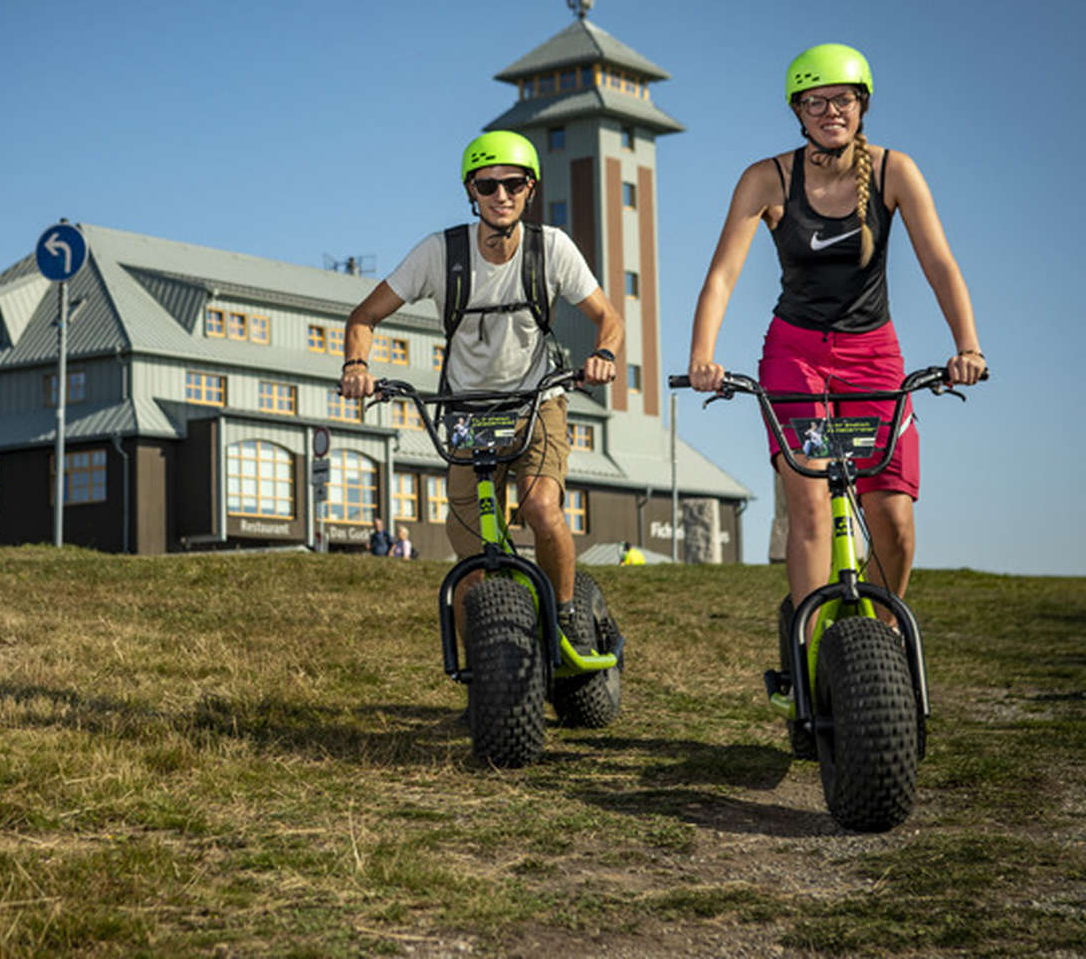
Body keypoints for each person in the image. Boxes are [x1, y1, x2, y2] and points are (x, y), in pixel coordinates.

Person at [685, 43, 987, 627]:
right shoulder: (766, 179)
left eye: (842, 99)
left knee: (893, 519)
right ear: (797, 111)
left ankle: (876, 632)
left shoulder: (896, 170)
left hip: (873, 354)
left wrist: (966, 345)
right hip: (795, 355)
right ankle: (809, 651)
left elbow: (939, 264)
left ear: (862, 104)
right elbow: (722, 275)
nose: (830, 112)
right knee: (811, 509)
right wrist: (703, 355)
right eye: (814, 101)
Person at [340, 129, 624, 648]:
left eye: (513, 184)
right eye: (487, 185)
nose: (501, 196)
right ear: (471, 191)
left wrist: (603, 354)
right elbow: (364, 316)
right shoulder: (439, 253)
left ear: (530, 189)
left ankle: (565, 616)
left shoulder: (551, 248)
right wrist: (357, 363)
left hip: (537, 400)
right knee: (471, 567)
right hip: (466, 411)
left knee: (541, 508)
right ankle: (480, 683)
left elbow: (609, 317)